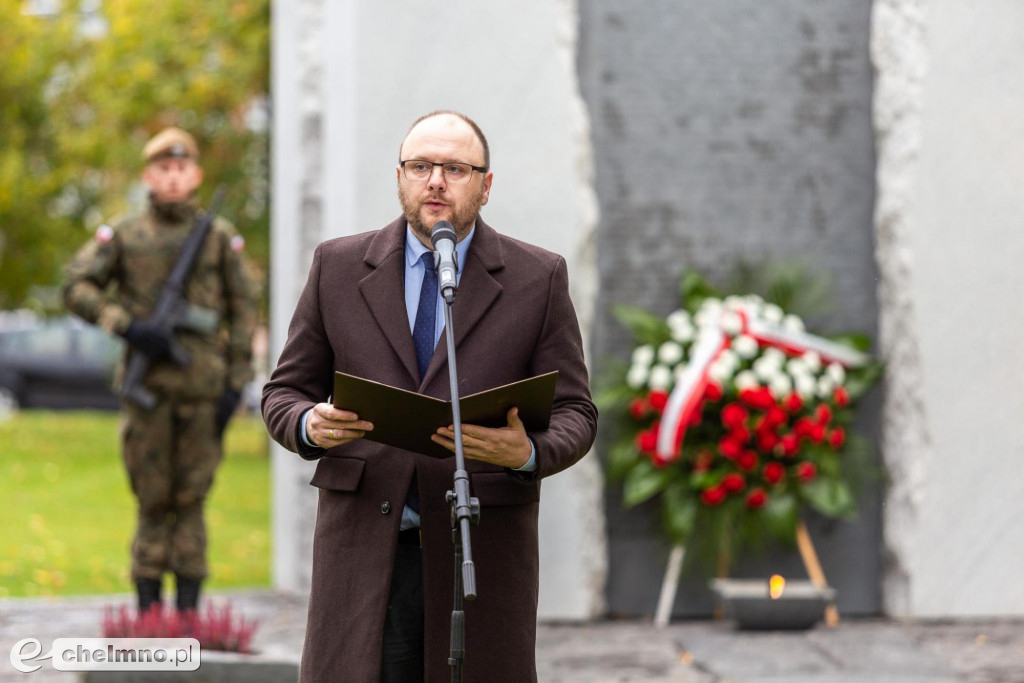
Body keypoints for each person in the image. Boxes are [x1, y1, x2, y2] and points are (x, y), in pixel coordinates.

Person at [262, 110, 598, 682]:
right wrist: (307, 424)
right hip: (366, 546)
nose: (435, 180)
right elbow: (283, 392)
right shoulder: (337, 267)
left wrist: (526, 454)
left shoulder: (536, 278)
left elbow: (577, 412)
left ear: (486, 186)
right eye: (420, 166)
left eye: (454, 168)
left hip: (478, 550)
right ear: (400, 178)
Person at [64, 127, 258, 614]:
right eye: (163, 170)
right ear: (149, 175)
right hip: (146, 390)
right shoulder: (126, 234)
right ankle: (149, 617)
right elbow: (77, 285)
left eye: (181, 169)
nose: (172, 179)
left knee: (191, 500)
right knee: (151, 501)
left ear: (195, 175)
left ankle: (189, 617)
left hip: (202, 392)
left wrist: (236, 384)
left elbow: (244, 309)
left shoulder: (217, 238)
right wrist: (125, 326)